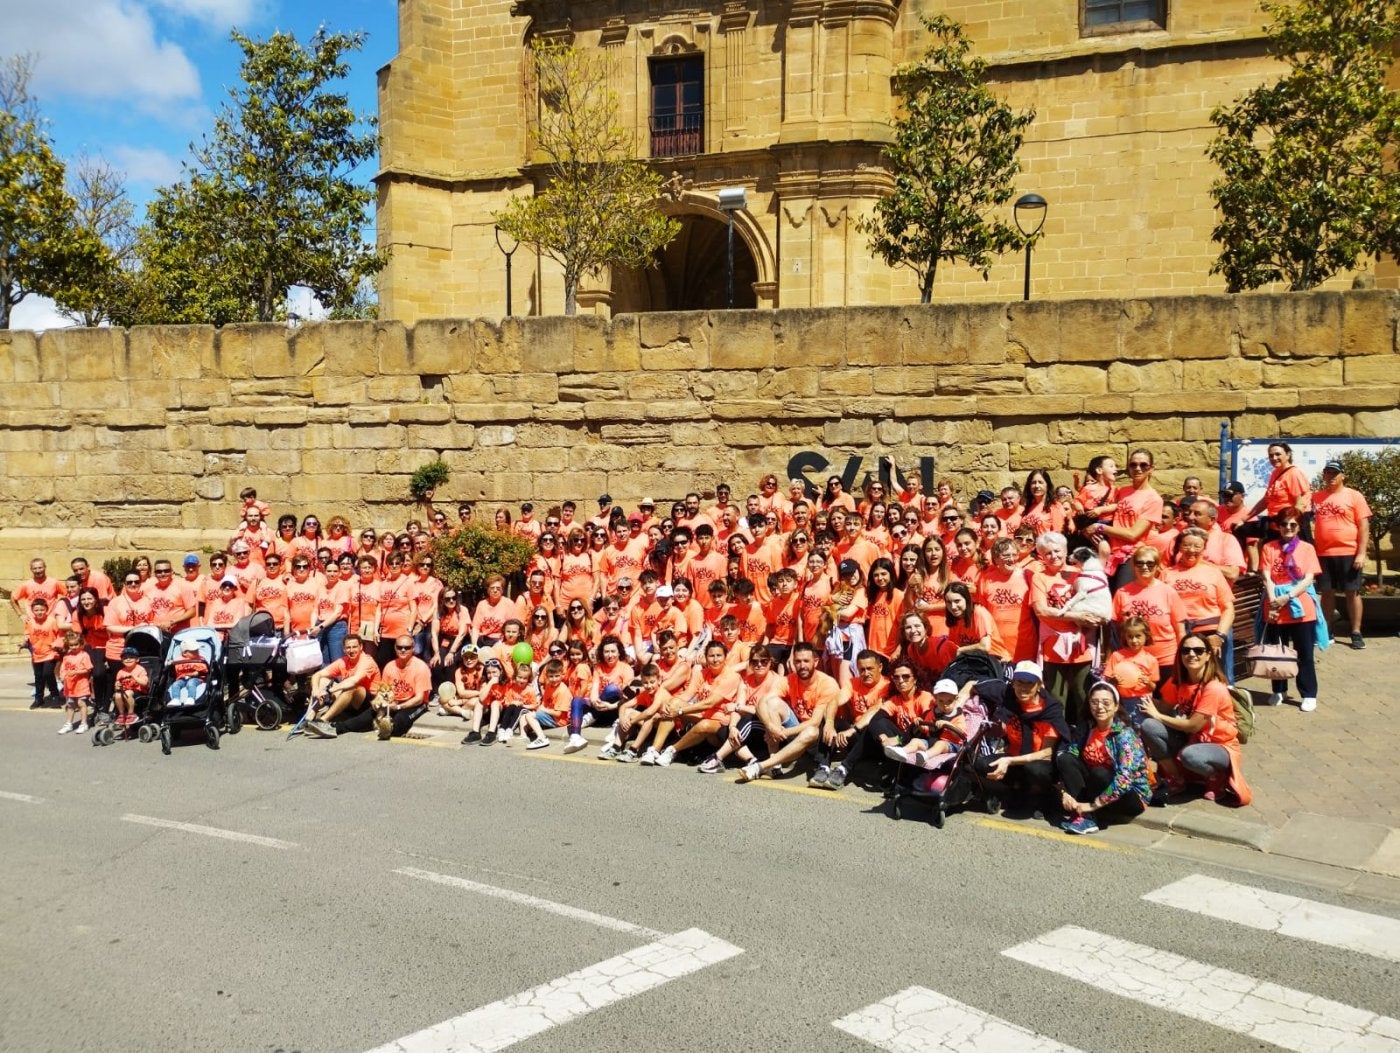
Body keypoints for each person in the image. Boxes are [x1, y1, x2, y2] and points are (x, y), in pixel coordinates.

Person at [1140, 633, 1252, 805]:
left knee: (1191, 756)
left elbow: (1193, 725)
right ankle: (1176, 779)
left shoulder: (1213, 687)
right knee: (1149, 725)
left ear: (1208, 655)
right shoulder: (1177, 681)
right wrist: (1137, 690)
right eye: (1186, 651)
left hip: (1220, 746)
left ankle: (1217, 776)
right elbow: (1164, 707)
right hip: (1191, 739)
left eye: (1198, 650)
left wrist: (1158, 715)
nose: (1192, 654)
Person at [972, 661, 1070, 818]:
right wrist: (962, 695)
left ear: (1039, 686)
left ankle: (1043, 798)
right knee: (982, 764)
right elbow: (974, 684)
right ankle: (1014, 790)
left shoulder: (1050, 710)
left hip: (1039, 762)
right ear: (1013, 683)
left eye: (1029, 684)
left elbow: (1047, 752)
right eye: (1019, 683)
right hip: (1014, 756)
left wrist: (1010, 761)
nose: (1023, 688)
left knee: (1035, 769)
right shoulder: (1009, 698)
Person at [1055, 681, 1150, 834]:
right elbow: (1071, 755)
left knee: (1100, 772)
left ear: (1116, 706)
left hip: (1129, 796)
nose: (1100, 707)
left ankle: (1089, 814)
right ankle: (1085, 816)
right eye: (1094, 702)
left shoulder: (1124, 735)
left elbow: (1124, 780)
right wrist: (1064, 792)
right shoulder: (1087, 727)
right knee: (1065, 759)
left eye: (1106, 703)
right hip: (1096, 787)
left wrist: (1092, 805)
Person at [738, 641, 838, 782]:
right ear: (793, 662)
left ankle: (761, 766)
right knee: (772, 703)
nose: (802, 665)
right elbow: (762, 703)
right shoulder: (789, 680)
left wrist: (783, 733)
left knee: (810, 730)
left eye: (806, 661)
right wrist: (770, 727)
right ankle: (775, 764)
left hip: (817, 737)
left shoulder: (827, 683)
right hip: (794, 729)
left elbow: (815, 722)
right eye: (798, 661)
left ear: (815, 661)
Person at [1258, 508, 1323, 711]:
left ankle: (1308, 693)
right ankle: (1279, 689)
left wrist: (1288, 596)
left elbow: (1309, 578)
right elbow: (1267, 576)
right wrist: (1273, 600)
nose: (1288, 528)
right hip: (1275, 605)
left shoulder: (1306, 549)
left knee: (1304, 653)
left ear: (1299, 527)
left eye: (1293, 524)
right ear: (1278, 525)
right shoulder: (1269, 547)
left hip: (1300, 606)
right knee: (1277, 651)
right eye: (1284, 523)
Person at [1311, 459, 1371, 649]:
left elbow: (1364, 526)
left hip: (1348, 552)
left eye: (1334, 473)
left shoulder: (1354, 496)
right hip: (1323, 553)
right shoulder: (1316, 497)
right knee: (1327, 593)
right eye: (1327, 473)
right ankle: (1326, 631)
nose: (1330, 476)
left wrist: (1361, 554)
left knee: (1351, 592)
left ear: (1342, 475)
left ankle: (1355, 632)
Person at [304, 635, 380, 737]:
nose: (351, 650)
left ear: (361, 647)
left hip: (370, 704)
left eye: (354, 647)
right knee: (322, 681)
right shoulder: (343, 661)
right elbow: (317, 675)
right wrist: (315, 690)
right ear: (344, 649)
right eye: (348, 648)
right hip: (350, 700)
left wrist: (329, 691)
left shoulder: (367, 661)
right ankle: (309, 719)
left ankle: (322, 721)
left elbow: (353, 681)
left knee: (352, 687)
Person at [370, 634, 432, 740]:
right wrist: (379, 702)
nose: (403, 650)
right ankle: (339, 727)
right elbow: (383, 690)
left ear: (413, 648)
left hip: (416, 703)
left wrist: (399, 707)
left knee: (401, 718)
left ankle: (389, 730)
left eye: (407, 647)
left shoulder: (421, 667)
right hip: (394, 701)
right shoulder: (390, 666)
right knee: (368, 714)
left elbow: (419, 699)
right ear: (395, 648)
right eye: (399, 647)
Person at [21, 597, 66, 710]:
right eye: (36, 610)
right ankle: (38, 699)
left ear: (46, 609)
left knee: (47, 673)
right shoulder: (30, 623)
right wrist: (25, 641)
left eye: (42, 609)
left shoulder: (52, 621)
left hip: (50, 653)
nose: (39, 612)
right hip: (37, 654)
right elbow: (27, 634)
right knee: (38, 677)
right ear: (33, 611)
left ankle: (55, 696)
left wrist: (57, 643)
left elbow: (61, 635)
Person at [57, 631, 94, 734]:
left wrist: (76, 672)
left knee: (81, 703)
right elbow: (63, 668)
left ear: (81, 644)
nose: (74, 647)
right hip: (69, 685)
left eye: (76, 644)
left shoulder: (84, 655)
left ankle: (84, 723)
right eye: (71, 645)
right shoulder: (66, 656)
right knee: (70, 704)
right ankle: (68, 724)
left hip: (81, 684)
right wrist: (62, 675)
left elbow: (88, 669)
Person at [112, 646, 149, 725]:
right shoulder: (121, 672)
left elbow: (145, 683)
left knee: (127, 693)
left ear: (137, 659)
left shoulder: (140, 669)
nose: (128, 659)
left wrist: (135, 677)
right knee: (117, 695)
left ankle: (131, 714)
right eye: (125, 658)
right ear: (122, 660)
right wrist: (117, 685)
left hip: (139, 691)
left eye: (131, 657)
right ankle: (121, 714)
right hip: (124, 691)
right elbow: (117, 684)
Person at [169, 640, 210, 707]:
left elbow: (204, 670)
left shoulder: (200, 659)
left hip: (196, 678)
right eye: (194, 651)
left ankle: (191, 698)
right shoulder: (179, 660)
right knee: (176, 684)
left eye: (197, 650)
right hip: (182, 678)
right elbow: (176, 670)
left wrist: (196, 673)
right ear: (185, 653)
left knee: (191, 683)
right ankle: (176, 699)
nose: (197, 652)